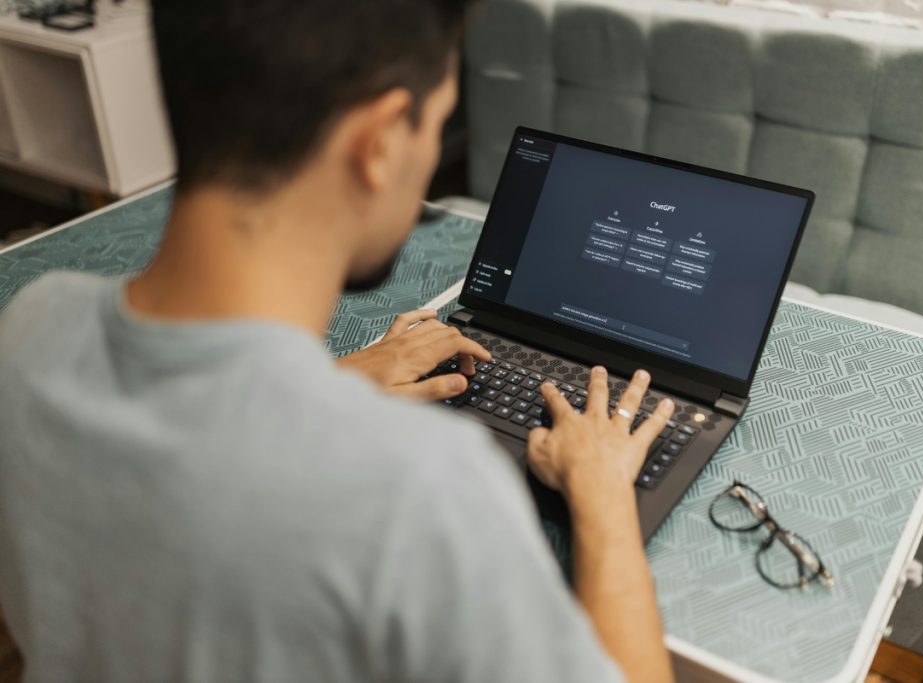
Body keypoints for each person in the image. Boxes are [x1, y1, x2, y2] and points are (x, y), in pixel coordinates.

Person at [0, 2, 676, 682]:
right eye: (437, 124)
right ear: (379, 141)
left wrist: (332, 386)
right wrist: (602, 494)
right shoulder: (421, 489)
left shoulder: (30, 330)